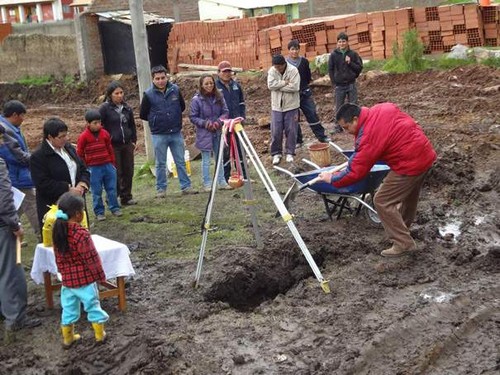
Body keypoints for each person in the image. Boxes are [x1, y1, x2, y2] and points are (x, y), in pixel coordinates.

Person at [317, 103, 437, 257]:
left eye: (347, 128)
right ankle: (402, 232)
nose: (347, 132)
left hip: (409, 163)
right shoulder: (382, 109)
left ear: (355, 119)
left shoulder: (368, 136)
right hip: (425, 153)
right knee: (408, 196)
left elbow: (355, 172)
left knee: (382, 201)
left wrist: (331, 178)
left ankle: (403, 243)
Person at [52, 192, 109, 348]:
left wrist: (63, 273)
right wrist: (100, 276)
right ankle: (99, 335)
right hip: (85, 281)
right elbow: (91, 258)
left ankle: (68, 339)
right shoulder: (81, 234)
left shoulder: (58, 232)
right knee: (92, 306)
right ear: (78, 214)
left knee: (68, 309)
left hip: (68, 283)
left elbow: (58, 258)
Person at [0, 155, 41, 344]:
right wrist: (14, 223)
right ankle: (15, 317)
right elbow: (4, 195)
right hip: (3, 226)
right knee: (10, 271)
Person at [139, 65, 197, 197]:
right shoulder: (148, 95)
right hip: (159, 134)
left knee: (180, 161)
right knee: (160, 163)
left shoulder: (175, 90)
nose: (161, 81)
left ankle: (186, 187)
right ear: (153, 80)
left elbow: (181, 106)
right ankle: (161, 189)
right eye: (157, 78)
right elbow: (143, 114)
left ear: (167, 77)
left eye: (163, 78)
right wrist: (156, 121)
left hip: (175, 132)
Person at [30, 118, 90, 230]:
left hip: (76, 201)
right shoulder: (39, 157)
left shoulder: (68, 148)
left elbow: (82, 168)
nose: (65, 139)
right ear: (50, 137)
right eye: (60, 137)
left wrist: (82, 184)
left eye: (66, 135)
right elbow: (42, 183)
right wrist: (67, 189)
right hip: (55, 206)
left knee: (80, 236)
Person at [0, 100, 40, 239]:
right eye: (22, 116)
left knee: (17, 206)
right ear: (15, 115)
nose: (23, 119)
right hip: (16, 176)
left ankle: (11, 232)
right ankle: (41, 233)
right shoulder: (5, 131)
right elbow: (15, 156)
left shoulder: (10, 127)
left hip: (17, 175)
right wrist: (35, 159)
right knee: (32, 205)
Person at [77, 109, 122, 222]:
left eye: (99, 122)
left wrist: (112, 163)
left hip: (107, 165)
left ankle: (115, 208)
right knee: (96, 191)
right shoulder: (84, 137)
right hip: (93, 168)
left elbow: (109, 148)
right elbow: (80, 153)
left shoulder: (105, 133)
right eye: (95, 123)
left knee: (111, 189)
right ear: (88, 123)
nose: (98, 125)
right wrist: (85, 167)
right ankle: (99, 212)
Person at [190, 74, 232, 191]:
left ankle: (222, 181)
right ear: (201, 85)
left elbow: (225, 112)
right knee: (206, 160)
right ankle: (207, 183)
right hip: (204, 133)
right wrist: (206, 123)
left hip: (217, 132)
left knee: (220, 158)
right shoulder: (197, 100)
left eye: (211, 83)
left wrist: (219, 122)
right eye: (206, 83)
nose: (209, 85)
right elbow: (193, 117)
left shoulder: (219, 96)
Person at [99, 81, 137, 206]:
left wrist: (133, 141)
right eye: (117, 93)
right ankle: (112, 197)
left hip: (127, 144)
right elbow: (100, 126)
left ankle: (126, 196)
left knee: (128, 170)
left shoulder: (127, 108)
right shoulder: (104, 109)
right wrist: (105, 141)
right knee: (116, 172)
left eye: (121, 93)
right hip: (112, 146)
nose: (120, 95)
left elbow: (132, 125)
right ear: (110, 95)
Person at [286, 40, 330, 146]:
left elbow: (307, 76)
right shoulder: (285, 64)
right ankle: (298, 140)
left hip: (305, 93)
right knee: (294, 118)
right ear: (289, 50)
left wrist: (304, 87)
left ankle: (321, 136)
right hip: (292, 95)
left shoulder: (304, 61)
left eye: (296, 49)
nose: (295, 51)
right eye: (292, 49)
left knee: (312, 114)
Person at [215, 60, 248, 182]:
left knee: (240, 149)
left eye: (229, 71)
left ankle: (244, 175)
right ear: (218, 73)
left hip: (237, 123)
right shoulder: (215, 87)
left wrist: (242, 116)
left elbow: (241, 103)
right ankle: (226, 176)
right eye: (224, 71)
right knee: (225, 150)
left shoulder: (236, 86)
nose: (227, 74)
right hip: (224, 125)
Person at [267, 54, 300, 165]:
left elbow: (295, 87)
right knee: (276, 130)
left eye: (279, 67)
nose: (278, 69)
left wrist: (278, 86)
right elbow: (270, 85)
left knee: (291, 130)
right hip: (276, 106)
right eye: (276, 67)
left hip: (291, 105)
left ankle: (290, 152)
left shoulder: (293, 70)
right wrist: (284, 83)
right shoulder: (272, 71)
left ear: (284, 64)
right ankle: (276, 153)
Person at [328, 32, 363, 133]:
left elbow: (359, 68)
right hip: (339, 85)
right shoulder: (334, 55)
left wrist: (350, 63)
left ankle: (356, 125)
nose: (342, 43)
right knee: (339, 106)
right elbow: (330, 69)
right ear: (337, 43)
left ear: (347, 42)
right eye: (340, 42)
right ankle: (338, 127)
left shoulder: (353, 54)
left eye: (344, 41)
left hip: (351, 84)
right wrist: (334, 82)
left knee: (353, 105)